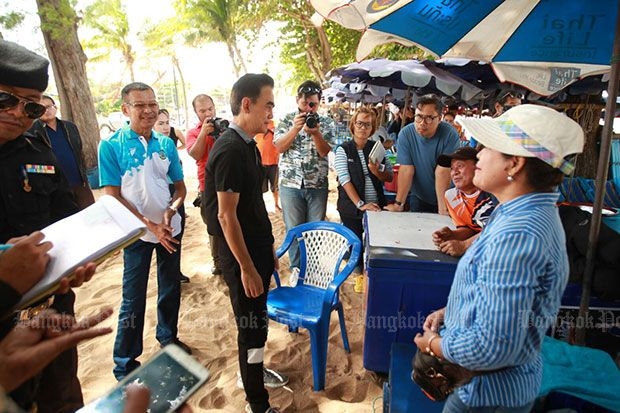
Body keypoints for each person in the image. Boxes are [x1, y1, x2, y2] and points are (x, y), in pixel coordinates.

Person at [414, 104, 584, 412]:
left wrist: (435, 345)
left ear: (515, 164)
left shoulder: (518, 234)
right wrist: (452, 311)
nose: (477, 155)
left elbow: (492, 347)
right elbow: (496, 294)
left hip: (487, 397)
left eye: (487, 147)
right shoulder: (521, 213)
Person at [0, 39, 90, 413]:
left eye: (33, 105)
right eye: (6, 99)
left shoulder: (41, 152)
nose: (20, 113)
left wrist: (78, 259)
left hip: (51, 307)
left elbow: (65, 218)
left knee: (62, 395)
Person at [204, 73, 286, 413]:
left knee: (258, 322)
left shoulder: (249, 146)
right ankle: (257, 401)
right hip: (240, 258)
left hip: (255, 251)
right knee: (250, 326)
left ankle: (254, 370)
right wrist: (248, 269)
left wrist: (267, 250)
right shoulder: (229, 150)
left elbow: (253, 206)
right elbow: (226, 218)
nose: (271, 113)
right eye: (268, 105)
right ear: (247, 104)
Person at [98, 82, 190, 381]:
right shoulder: (111, 146)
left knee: (170, 286)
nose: (149, 110)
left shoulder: (165, 144)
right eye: (140, 105)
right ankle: (125, 362)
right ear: (125, 109)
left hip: (170, 228)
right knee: (133, 297)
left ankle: (168, 338)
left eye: (152, 103)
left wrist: (171, 210)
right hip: (136, 233)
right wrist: (149, 225)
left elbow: (179, 188)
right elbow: (111, 196)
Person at [274, 80, 336, 269]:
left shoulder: (326, 122)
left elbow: (325, 152)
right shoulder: (286, 120)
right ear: (297, 100)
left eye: (313, 104)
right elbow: (279, 147)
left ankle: (313, 270)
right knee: (294, 231)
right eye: (305, 103)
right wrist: (295, 128)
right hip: (290, 185)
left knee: (315, 231)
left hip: (317, 185)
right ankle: (296, 269)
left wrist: (316, 133)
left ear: (319, 103)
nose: (309, 108)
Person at [334, 106, 393, 268]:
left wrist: (377, 171)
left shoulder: (377, 148)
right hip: (352, 208)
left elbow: (389, 175)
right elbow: (345, 180)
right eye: (360, 123)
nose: (363, 128)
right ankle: (357, 273)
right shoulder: (343, 150)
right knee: (356, 244)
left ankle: (368, 276)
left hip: (375, 207)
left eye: (367, 125)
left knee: (374, 245)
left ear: (372, 128)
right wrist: (361, 205)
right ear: (353, 125)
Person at [384, 94, 461, 214]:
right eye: (419, 117)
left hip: (446, 196)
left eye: (429, 118)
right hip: (419, 196)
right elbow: (406, 170)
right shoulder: (406, 134)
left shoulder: (450, 134)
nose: (422, 123)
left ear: (439, 118)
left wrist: (442, 208)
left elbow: (442, 172)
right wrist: (398, 204)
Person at [28, 95, 95, 209]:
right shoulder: (33, 132)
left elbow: (79, 152)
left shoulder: (69, 126)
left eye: (48, 106)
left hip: (80, 183)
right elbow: (32, 165)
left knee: (91, 215)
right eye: (41, 108)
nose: (46, 111)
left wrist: (83, 174)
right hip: (55, 188)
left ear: (55, 107)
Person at [431, 147, 495, 257]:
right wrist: (453, 234)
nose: (454, 172)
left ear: (477, 167)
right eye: (451, 168)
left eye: (460, 166)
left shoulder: (494, 194)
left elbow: (497, 229)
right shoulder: (451, 196)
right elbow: (469, 228)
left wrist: (465, 245)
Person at [185, 94, 222, 276]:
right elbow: (196, 154)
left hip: (227, 180)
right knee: (213, 224)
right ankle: (218, 262)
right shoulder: (193, 133)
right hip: (207, 185)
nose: (207, 113)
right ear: (196, 112)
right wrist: (203, 133)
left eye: (210, 109)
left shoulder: (224, 126)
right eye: (202, 111)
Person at [154, 109, 190, 284]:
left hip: (176, 191)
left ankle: (175, 272)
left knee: (177, 231)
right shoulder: (151, 146)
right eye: (160, 123)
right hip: (161, 192)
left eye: (167, 122)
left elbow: (181, 187)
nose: (165, 126)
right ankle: (169, 274)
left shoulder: (170, 143)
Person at [254, 119, 280, 211]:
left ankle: (276, 204)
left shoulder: (274, 132)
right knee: (260, 188)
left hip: (274, 164)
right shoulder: (258, 134)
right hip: (261, 164)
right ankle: (261, 206)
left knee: (275, 187)